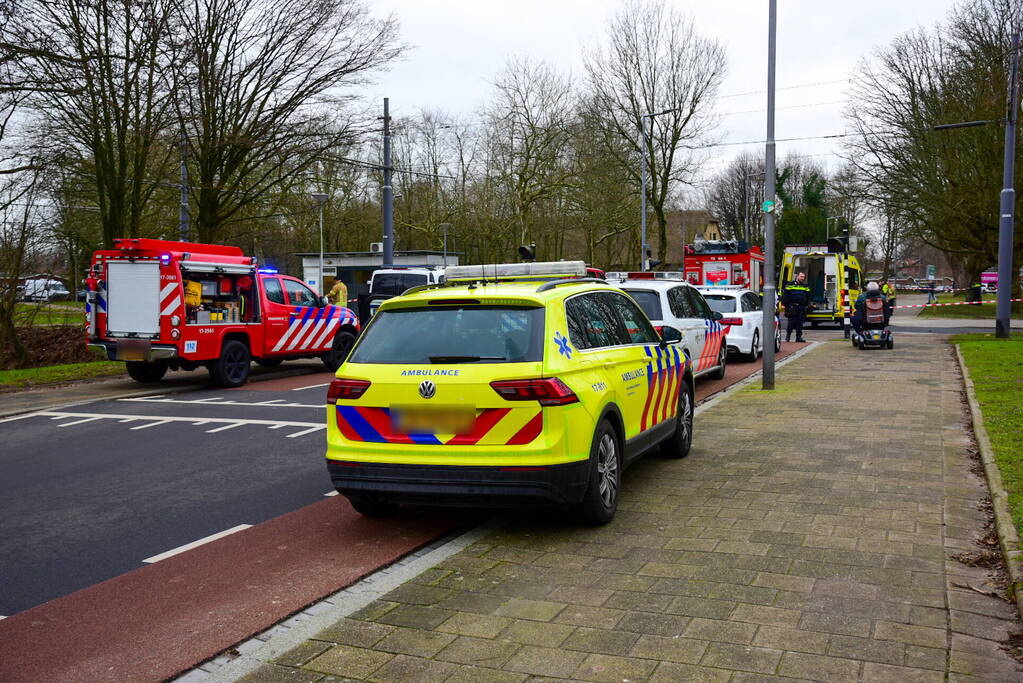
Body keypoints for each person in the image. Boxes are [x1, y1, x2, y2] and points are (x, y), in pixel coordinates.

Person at [781, 271, 811, 342]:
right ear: (797, 276)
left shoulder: (805, 286)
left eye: (803, 277)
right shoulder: (790, 284)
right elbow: (785, 295)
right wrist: (784, 305)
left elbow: (808, 296)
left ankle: (798, 337)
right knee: (791, 323)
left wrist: (807, 305)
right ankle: (788, 336)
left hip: (801, 307)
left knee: (800, 323)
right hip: (792, 306)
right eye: (801, 276)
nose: (802, 278)